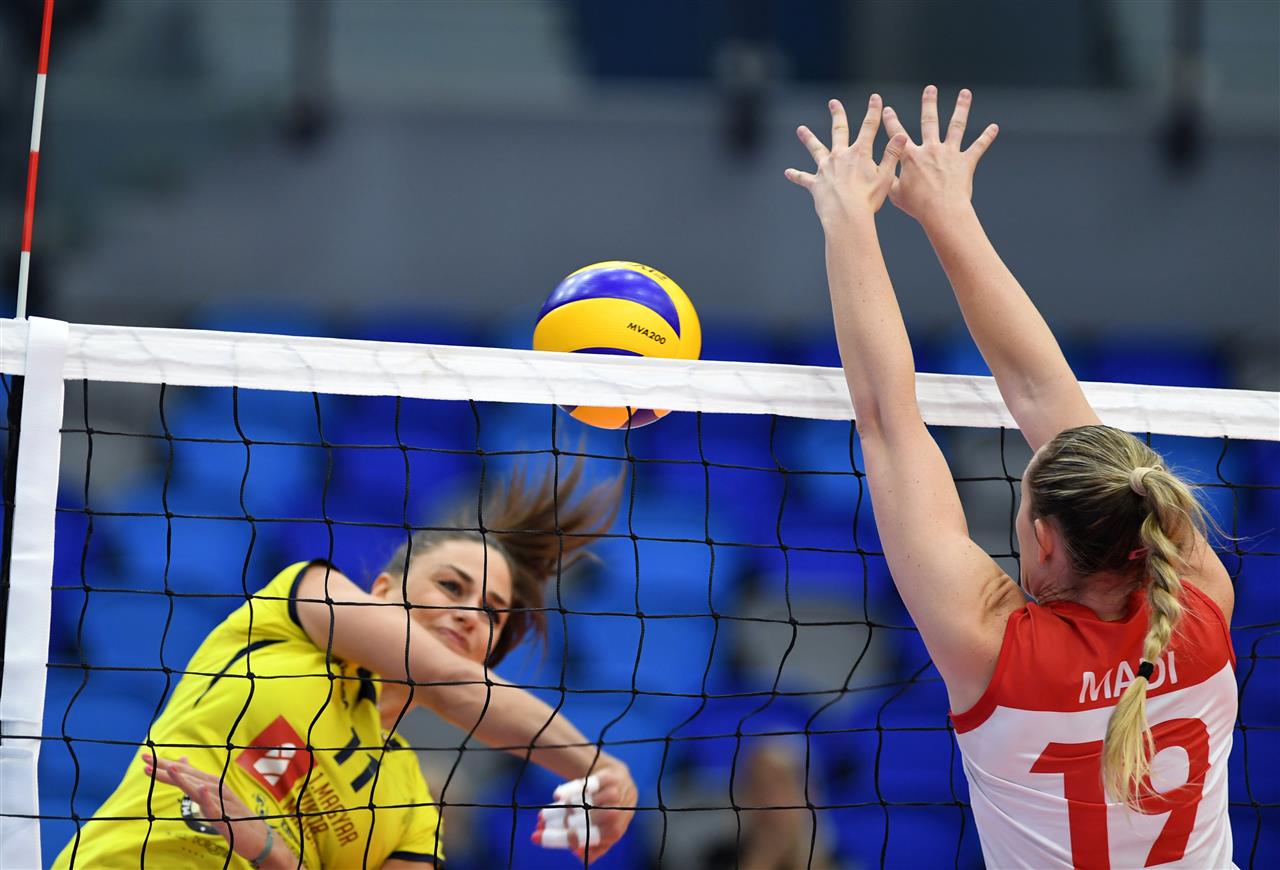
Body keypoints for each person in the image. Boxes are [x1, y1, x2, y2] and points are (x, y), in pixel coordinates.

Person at [786, 88, 1235, 868]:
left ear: (1043, 540)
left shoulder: (992, 646)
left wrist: (855, 217)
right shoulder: (1201, 601)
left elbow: (895, 421)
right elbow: (1036, 397)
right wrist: (936, 213)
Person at [52, 459, 637, 868]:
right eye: (450, 586)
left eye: (491, 613)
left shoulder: (413, 813)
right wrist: (602, 767)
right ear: (381, 590)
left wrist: (267, 851)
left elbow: (459, 685)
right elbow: (450, 682)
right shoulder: (299, 605)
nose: (467, 614)